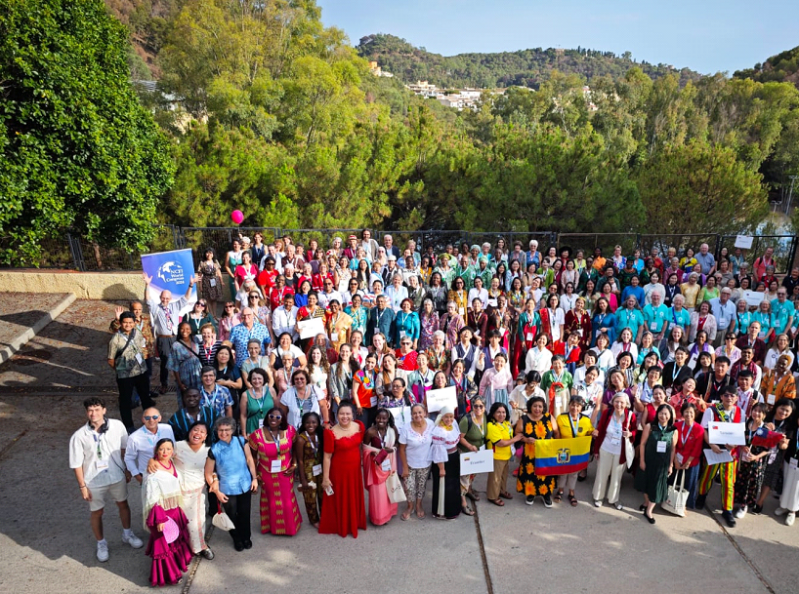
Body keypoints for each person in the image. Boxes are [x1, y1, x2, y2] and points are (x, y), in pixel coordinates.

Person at [69, 397, 143, 562]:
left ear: (104, 410)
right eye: (90, 410)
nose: (93, 413)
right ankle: (101, 543)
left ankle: (127, 533)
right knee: (97, 512)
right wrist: (82, 486)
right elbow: (76, 464)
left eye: (96, 409)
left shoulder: (118, 426)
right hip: (93, 481)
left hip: (116, 476)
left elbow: (125, 450)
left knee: (123, 504)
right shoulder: (79, 436)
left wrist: (127, 470)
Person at [142, 439, 193, 587]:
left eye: (168, 449)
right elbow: (152, 496)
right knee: (163, 546)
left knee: (175, 541)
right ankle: (168, 576)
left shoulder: (172, 463)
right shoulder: (153, 470)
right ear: (156, 450)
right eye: (162, 449)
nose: (165, 452)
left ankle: (178, 564)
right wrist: (160, 518)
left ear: (172, 451)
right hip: (162, 513)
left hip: (175, 509)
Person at [205, 417, 258, 551]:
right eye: (221, 430)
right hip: (226, 488)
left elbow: (249, 459)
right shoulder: (214, 449)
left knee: (245, 513)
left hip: (244, 484)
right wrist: (216, 491)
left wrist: (254, 478)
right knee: (231, 514)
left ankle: (246, 537)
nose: (224, 433)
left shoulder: (242, 442)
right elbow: (208, 473)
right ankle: (236, 538)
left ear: (233, 430)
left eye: (227, 430)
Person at [247, 407, 302, 536]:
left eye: (278, 417)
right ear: (267, 417)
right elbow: (253, 457)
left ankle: (290, 528)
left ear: (282, 419)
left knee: (287, 499)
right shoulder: (256, 435)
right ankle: (271, 527)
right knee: (271, 500)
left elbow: (295, 447)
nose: (274, 419)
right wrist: (254, 476)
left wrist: (294, 464)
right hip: (266, 473)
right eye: (271, 416)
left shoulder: (290, 430)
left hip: (286, 470)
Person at [696, 387, 744, 527]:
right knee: (707, 476)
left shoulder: (740, 412)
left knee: (729, 481)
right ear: (721, 397)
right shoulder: (712, 410)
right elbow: (703, 430)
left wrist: (734, 444)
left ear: (736, 398)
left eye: (732, 395)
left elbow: (740, 432)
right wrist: (711, 444)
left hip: (730, 452)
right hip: (714, 449)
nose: (729, 398)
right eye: (726, 395)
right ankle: (702, 496)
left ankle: (727, 509)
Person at [143, 272, 196, 395]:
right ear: (160, 298)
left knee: (181, 360)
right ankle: (164, 384)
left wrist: (191, 285)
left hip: (175, 338)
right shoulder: (156, 308)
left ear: (170, 298)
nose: (165, 300)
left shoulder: (175, 306)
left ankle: (183, 381)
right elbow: (148, 300)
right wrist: (147, 285)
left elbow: (186, 298)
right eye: (163, 298)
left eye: (167, 298)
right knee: (165, 363)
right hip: (163, 339)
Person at [320, 402, 368, 537]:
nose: (345, 416)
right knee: (342, 498)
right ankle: (343, 525)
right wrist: (326, 478)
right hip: (339, 471)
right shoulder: (330, 433)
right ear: (337, 415)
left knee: (353, 495)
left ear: (353, 415)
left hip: (355, 471)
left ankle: (355, 522)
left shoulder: (359, 426)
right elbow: (327, 457)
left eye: (348, 414)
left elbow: (360, 446)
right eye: (341, 414)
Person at [124, 408, 176, 527]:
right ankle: (155, 536)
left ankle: (172, 532)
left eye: (154, 417)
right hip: (150, 477)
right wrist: (137, 476)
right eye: (147, 418)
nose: (151, 420)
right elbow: (129, 458)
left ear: (160, 418)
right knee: (153, 507)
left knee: (170, 504)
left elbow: (173, 448)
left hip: (168, 474)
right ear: (143, 420)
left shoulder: (167, 429)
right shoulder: (135, 437)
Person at [107, 311, 155, 431]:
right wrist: (120, 369)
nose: (128, 325)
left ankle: (150, 422)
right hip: (125, 376)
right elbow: (110, 360)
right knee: (125, 402)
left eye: (130, 322)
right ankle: (129, 427)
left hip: (141, 372)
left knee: (146, 399)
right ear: (121, 323)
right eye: (125, 322)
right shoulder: (115, 340)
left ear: (134, 323)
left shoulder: (137, 333)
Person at [592, 392, 636, 509]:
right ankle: (598, 497)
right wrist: (596, 450)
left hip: (621, 452)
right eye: (617, 401)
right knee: (602, 474)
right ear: (613, 402)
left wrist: (631, 433)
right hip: (605, 448)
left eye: (622, 402)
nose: (619, 404)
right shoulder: (607, 413)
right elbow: (600, 430)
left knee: (617, 477)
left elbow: (635, 431)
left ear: (626, 404)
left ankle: (613, 499)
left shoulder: (631, 415)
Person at [635, 404, 677, 524]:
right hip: (649, 459)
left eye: (666, 414)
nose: (663, 416)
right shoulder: (650, 427)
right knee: (645, 482)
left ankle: (649, 510)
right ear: (657, 414)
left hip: (662, 463)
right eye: (661, 413)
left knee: (656, 486)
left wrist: (671, 465)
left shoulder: (673, 431)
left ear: (670, 416)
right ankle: (646, 501)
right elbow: (642, 444)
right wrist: (642, 460)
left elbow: (673, 449)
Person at [516, 396, 561, 507]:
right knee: (530, 473)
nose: (537, 409)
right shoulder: (524, 419)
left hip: (547, 453)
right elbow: (517, 434)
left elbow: (556, 433)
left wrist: (557, 446)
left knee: (547, 474)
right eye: (535, 406)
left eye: (540, 406)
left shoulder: (549, 417)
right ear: (530, 407)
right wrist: (526, 439)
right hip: (530, 453)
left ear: (543, 407)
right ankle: (531, 494)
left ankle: (546, 495)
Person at [733, 403, 773, 519]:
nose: (756, 413)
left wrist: (756, 457)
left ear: (764, 415)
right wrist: (741, 446)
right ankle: (736, 502)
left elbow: (767, 450)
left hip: (755, 462)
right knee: (739, 480)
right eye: (755, 410)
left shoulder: (765, 430)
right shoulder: (746, 424)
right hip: (742, 459)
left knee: (750, 484)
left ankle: (744, 506)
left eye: (760, 412)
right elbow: (738, 438)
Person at [429, 406, 468, 520]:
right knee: (444, 486)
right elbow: (438, 452)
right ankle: (443, 512)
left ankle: (454, 509)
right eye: (446, 417)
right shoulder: (439, 431)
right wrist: (441, 468)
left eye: (451, 416)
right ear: (442, 417)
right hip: (444, 461)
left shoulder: (453, 424)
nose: (449, 419)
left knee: (453, 485)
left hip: (454, 457)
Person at [555, 396, 595, 506]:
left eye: (578, 406)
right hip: (564, 450)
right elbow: (556, 432)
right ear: (569, 405)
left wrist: (594, 433)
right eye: (572, 405)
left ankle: (571, 493)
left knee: (573, 473)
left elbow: (590, 432)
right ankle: (560, 490)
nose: (575, 408)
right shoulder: (561, 418)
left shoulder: (586, 420)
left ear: (581, 407)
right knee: (562, 471)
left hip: (578, 451)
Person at [362, 409, 400, 525]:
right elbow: (364, 448)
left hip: (389, 464)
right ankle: (378, 518)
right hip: (376, 465)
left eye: (384, 418)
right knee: (378, 492)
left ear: (388, 419)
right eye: (379, 418)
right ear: (375, 418)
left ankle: (390, 512)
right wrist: (374, 452)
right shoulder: (370, 432)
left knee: (389, 489)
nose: (381, 420)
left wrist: (391, 450)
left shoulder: (393, 430)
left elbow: (397, 443)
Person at [398, 403, 435, 520]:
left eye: (420, 412)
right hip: (410, 464)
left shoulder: (431, 424)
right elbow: (402, 449)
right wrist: (404, 467)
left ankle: (419, 505)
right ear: (411, 415)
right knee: (409, 487)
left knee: (421, 486)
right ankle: (410, 507)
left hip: (425, 463)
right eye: (414, 413)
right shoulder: (406, 428)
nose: (417, 415)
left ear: (425, 413)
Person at [486, 402, 522, 506]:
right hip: (496, 456)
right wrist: (515, 439)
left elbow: (511, 429)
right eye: (498, 412)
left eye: (503, 412)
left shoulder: (506, 423)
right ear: (493, 413)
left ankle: (501, 491)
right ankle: (493, 496)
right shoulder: (491, 425)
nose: (501, 415)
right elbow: (500, 443)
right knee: (495, 478)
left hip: (506, 456)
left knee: (503, 476)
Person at [458, 396, 487, 515]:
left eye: (481, 406)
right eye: (476, 406)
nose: (478, 408)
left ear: (485, 408)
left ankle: (469, 490)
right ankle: (463, 502)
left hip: (478, 452)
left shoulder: (485, 417)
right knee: (464, 478)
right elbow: (460, 438)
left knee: (472, 475)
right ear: (472, 406)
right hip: (466, 452)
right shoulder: (466, 420)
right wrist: (470, 447)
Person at [168, 321, 203, 406]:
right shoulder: (175, 345)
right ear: (179, 330)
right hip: (185, 375)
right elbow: (175, 366)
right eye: (182, 329)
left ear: (191, 330)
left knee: (199, 396)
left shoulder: (196, 340)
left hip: (198, 373)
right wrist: (180, 383)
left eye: (187, 329)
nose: (185, 331)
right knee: (187, 397)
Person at [239, 368, 275, 438]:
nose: (257, 381)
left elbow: (277, 410)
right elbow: (243, 415)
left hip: (270, 428)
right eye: (254, 379)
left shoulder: (271, 391)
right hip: (252, 428)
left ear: (264, 379)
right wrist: (244, 434)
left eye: (259, 378)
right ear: (250, 380)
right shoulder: (245, 395)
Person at [197, 248, 224, 317]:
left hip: (215, 281)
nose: (209, 254)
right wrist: (200, 285)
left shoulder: (215, 262)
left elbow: (218, 272)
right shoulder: (202, 262)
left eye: (210, 253)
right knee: (208, 299)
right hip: (206, 282)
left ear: (213, 254)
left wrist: (222, 281)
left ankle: (215, 315)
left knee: (214, 299)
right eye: (207, 253)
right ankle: (211, 315)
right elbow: (199, 275)